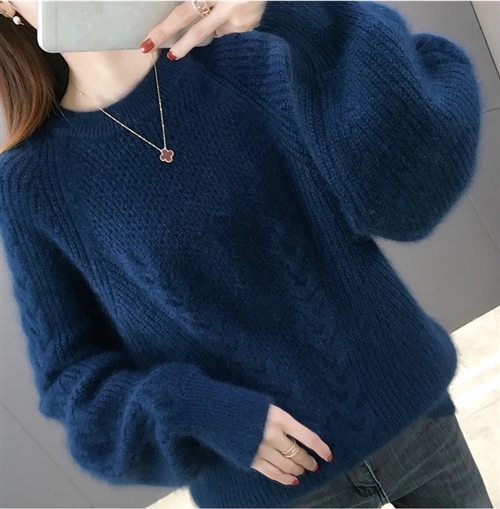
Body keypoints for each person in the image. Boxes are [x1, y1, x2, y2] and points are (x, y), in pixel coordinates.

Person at [0, 1, 493, 508]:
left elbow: (408, 201)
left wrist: (299, 11)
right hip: (276, 493)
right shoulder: (32, 184)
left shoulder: (255, 51)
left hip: (415, 422)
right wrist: (197, 408)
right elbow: (72, 383)